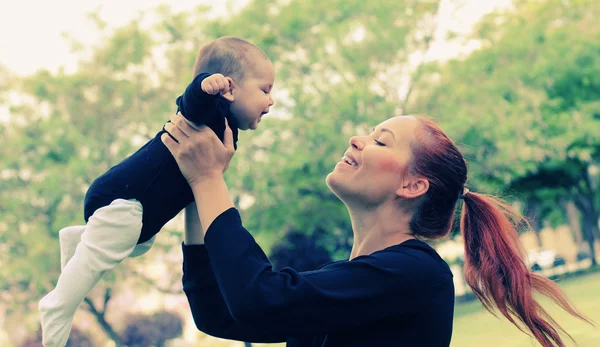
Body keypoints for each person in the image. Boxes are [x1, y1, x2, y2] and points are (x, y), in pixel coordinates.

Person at [161, 114, 592, 347]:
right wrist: (195, 187)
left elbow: (261, 301)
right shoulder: (352, 281)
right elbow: (219, 313)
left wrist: (208, 181)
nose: (356, 139)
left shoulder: (416, 275)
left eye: (380, 140)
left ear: (412, 185)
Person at [38, 36, 275, 347]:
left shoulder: (224, 129)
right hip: (124, 199)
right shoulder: (207, 113)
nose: (271, 101)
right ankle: (56, 306)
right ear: (229, 88)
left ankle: (79, 239)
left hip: (138, 212)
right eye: (265, 90)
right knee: (113, 244)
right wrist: (206, 84)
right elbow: (190, 100)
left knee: (138, 243)